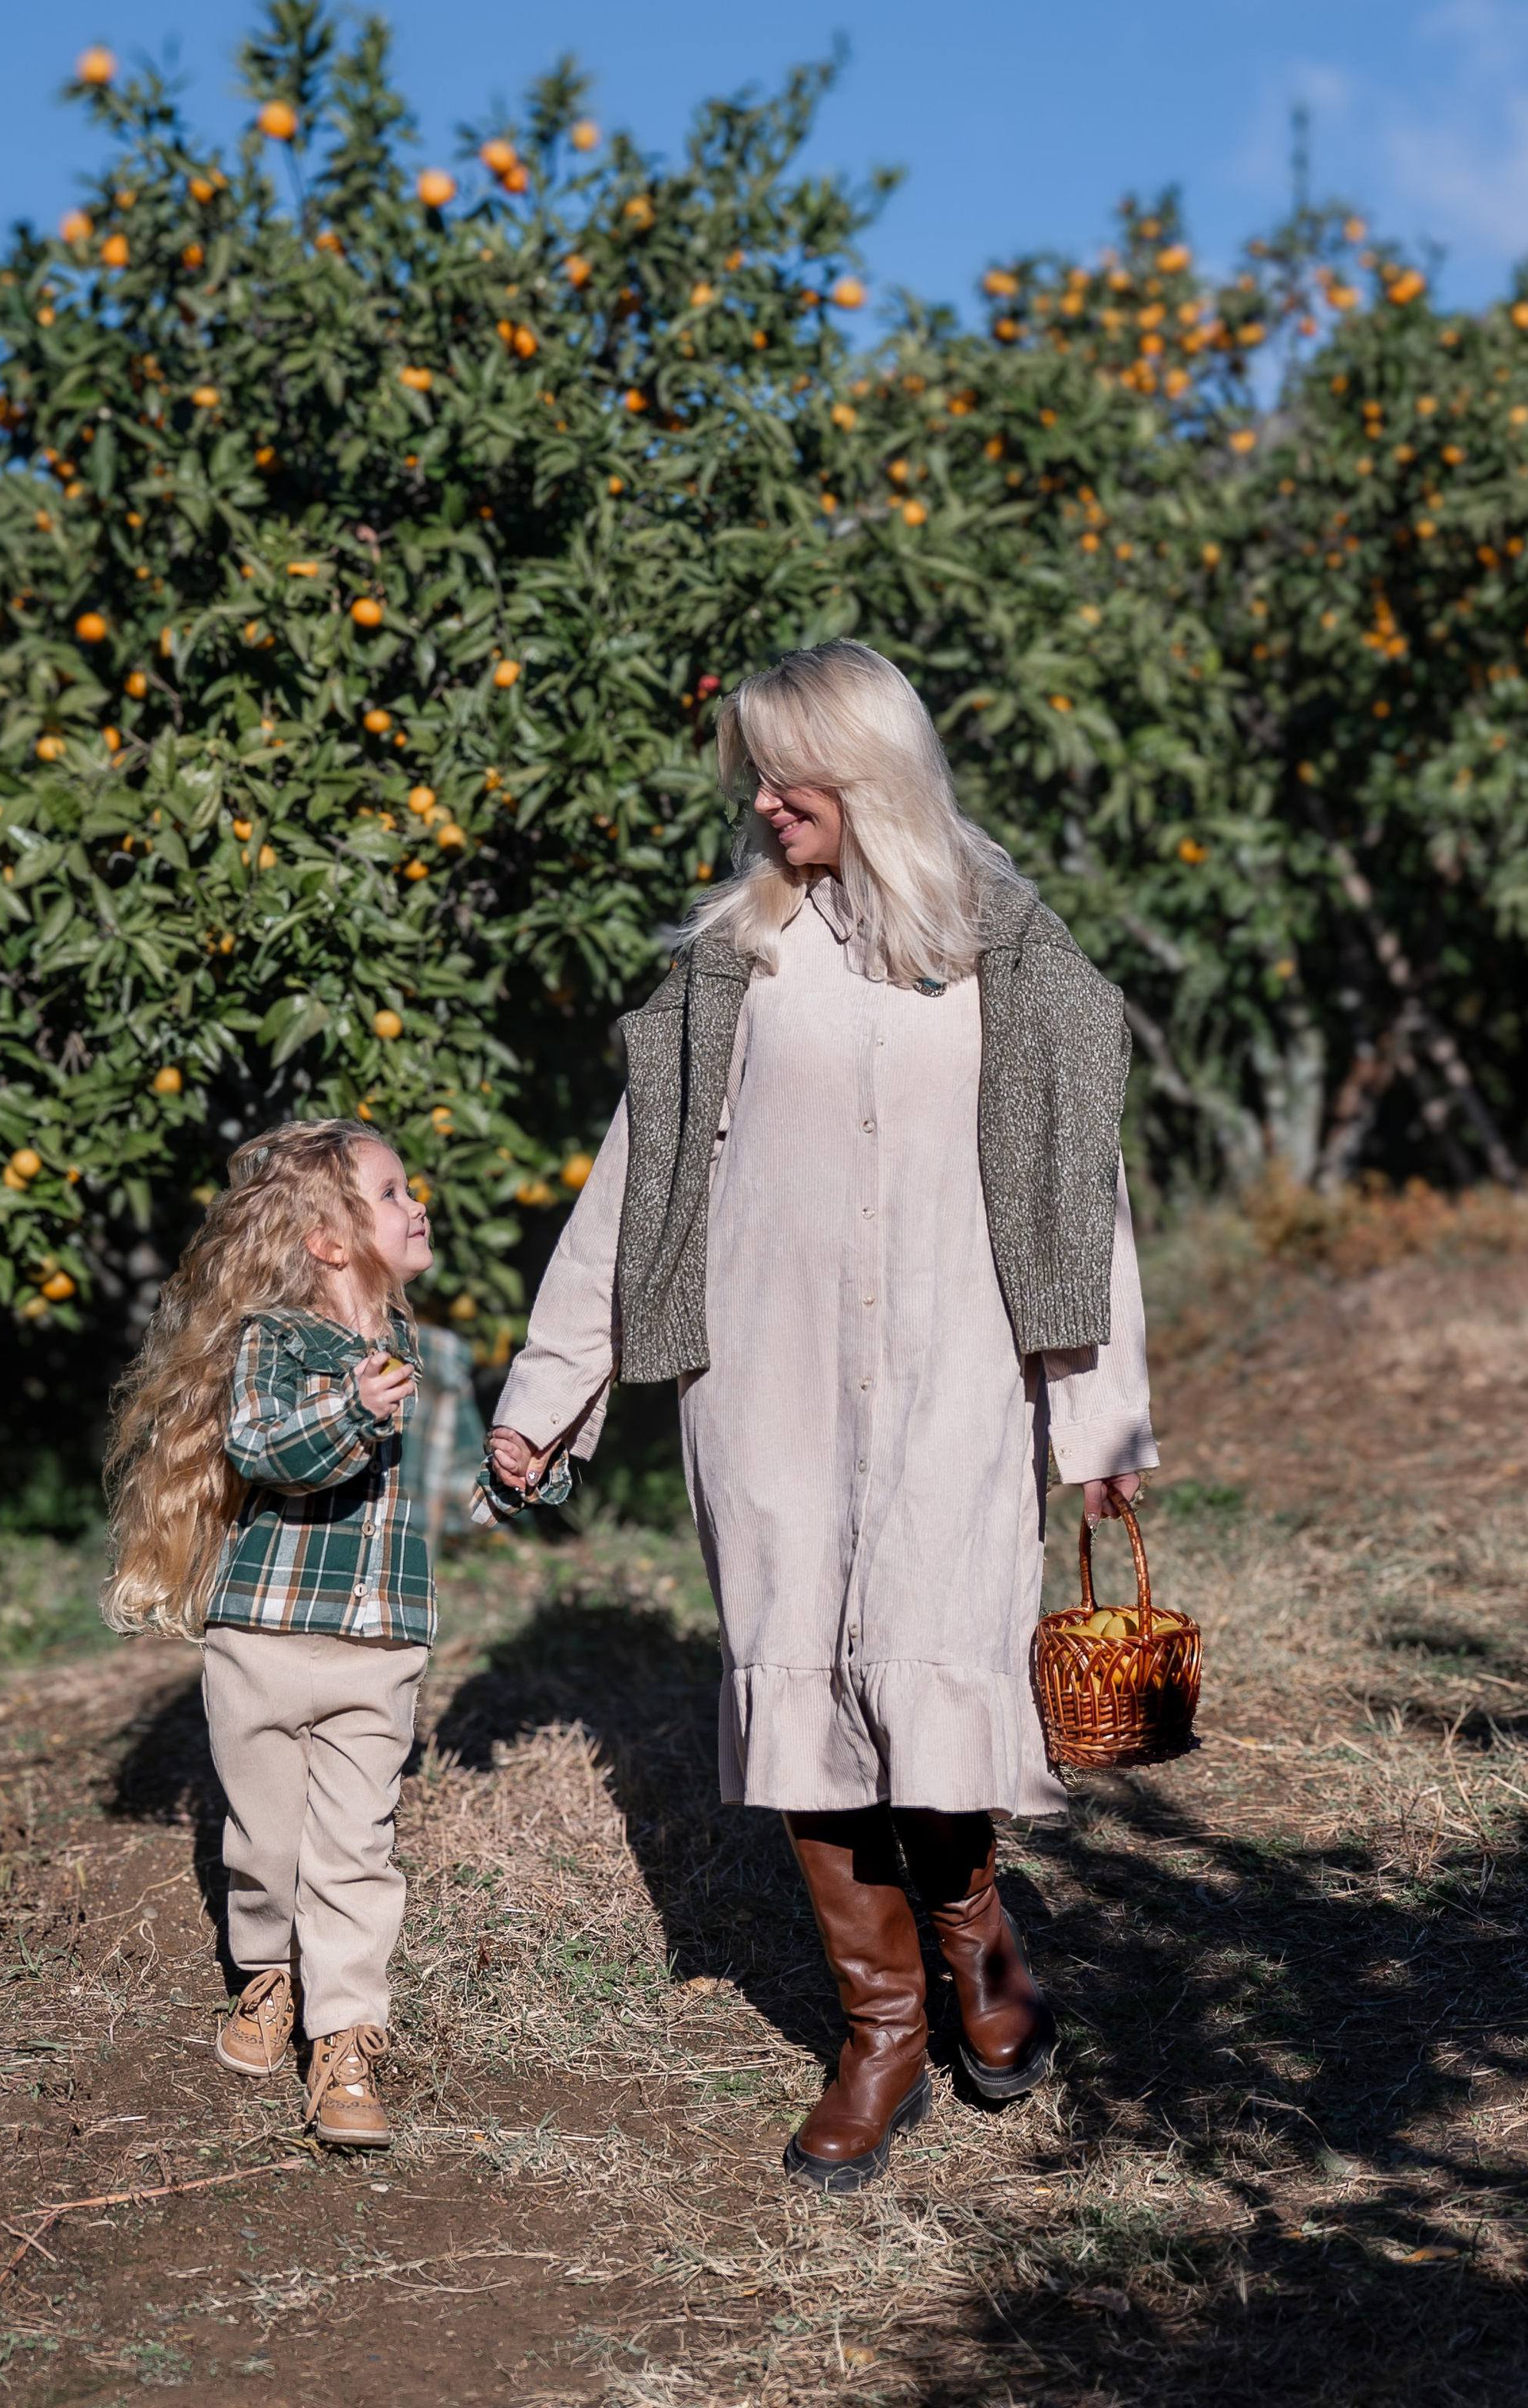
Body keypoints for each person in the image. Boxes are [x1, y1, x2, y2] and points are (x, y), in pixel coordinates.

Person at [487, 639, 1157, 2192]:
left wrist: (1101, 1425)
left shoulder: (1007, 950)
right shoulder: (737, 957)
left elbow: (1083, 1192)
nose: (761, 800)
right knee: (802, 1692)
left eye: (788, 772)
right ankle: (882, 2028)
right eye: (753, 773)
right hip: (764, 1383)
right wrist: (546, 1394)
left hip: (955, 1368)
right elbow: (634, 1184)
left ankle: (976, 1940)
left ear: (870, 769)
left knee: (932, 1665)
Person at [101, 1119, 435, 2151]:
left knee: (356, 1851)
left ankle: (344, 2038)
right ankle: (268, 1973)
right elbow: (264, 1448)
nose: (417, 1204)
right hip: (266, 1641)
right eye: (392, 1191)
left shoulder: (419, 1352)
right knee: (267, 1845)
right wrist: (355, 1406)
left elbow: (454, 1478)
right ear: (328, 1240)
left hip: (380, 1643)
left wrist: (518, 1469)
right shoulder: (276, 1341)